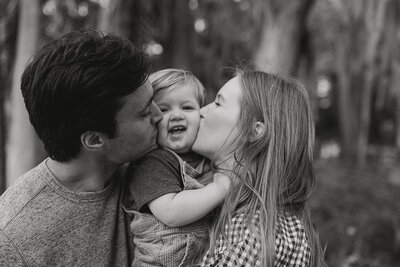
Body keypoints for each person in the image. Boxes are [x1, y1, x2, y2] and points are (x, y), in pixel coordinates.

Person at [0, 28, 163, 266]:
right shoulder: (14, 241)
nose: (160, 116)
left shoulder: (155, 163)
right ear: (95, 139)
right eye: (145, 112)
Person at [192, 71, 326, 266]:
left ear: (254, 131)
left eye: (218, 103)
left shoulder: (252, 236)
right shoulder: (255, 221)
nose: (201, 111)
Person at [125, 69, 230, 266]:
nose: (176, 115)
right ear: (152, 118)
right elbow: (171, 213)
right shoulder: (153, 163)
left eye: (187, 107)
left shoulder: (207, 158)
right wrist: (220, 188)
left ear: (202, 114)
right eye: (163, 110)